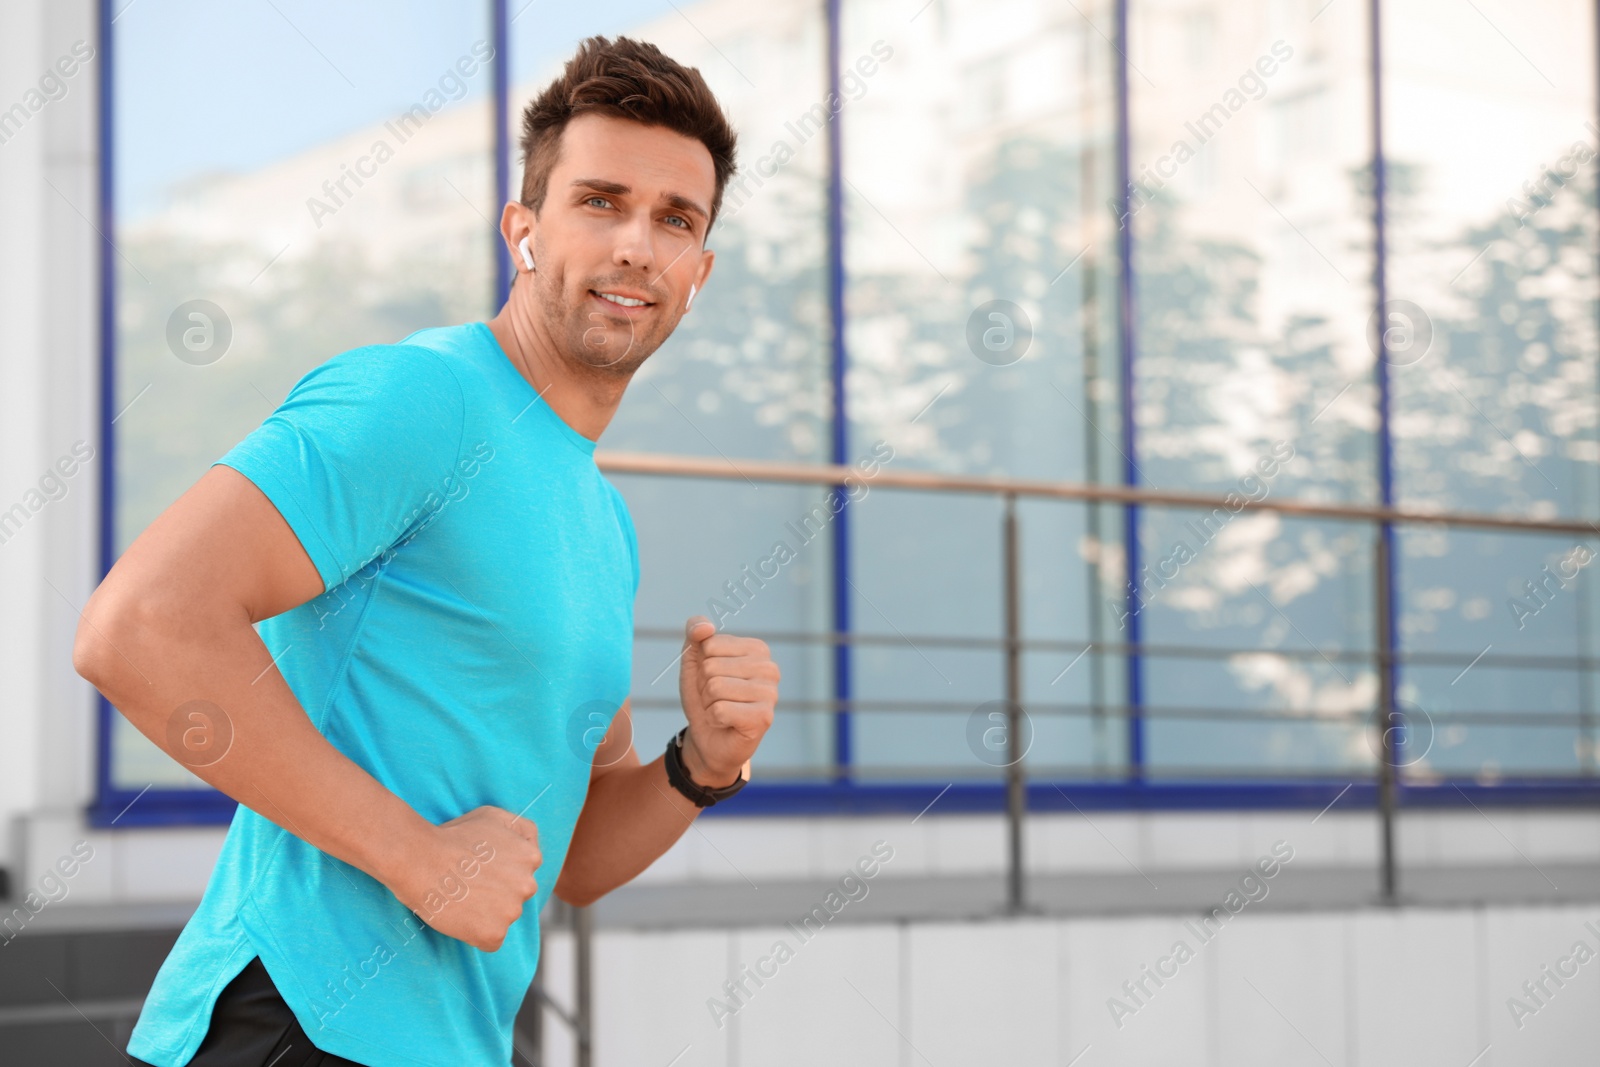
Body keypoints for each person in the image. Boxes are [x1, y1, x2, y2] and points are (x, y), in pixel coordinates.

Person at [73, 35, 779, 1067]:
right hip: (293, 1022)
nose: (637, 243)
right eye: (600, 200)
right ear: (523, 230)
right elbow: (138, 627)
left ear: (698, 272)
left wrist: (698, 766)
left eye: (674, 219)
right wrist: (416, 856)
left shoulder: (601, 519)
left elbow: (567, 856)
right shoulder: (422, 396)